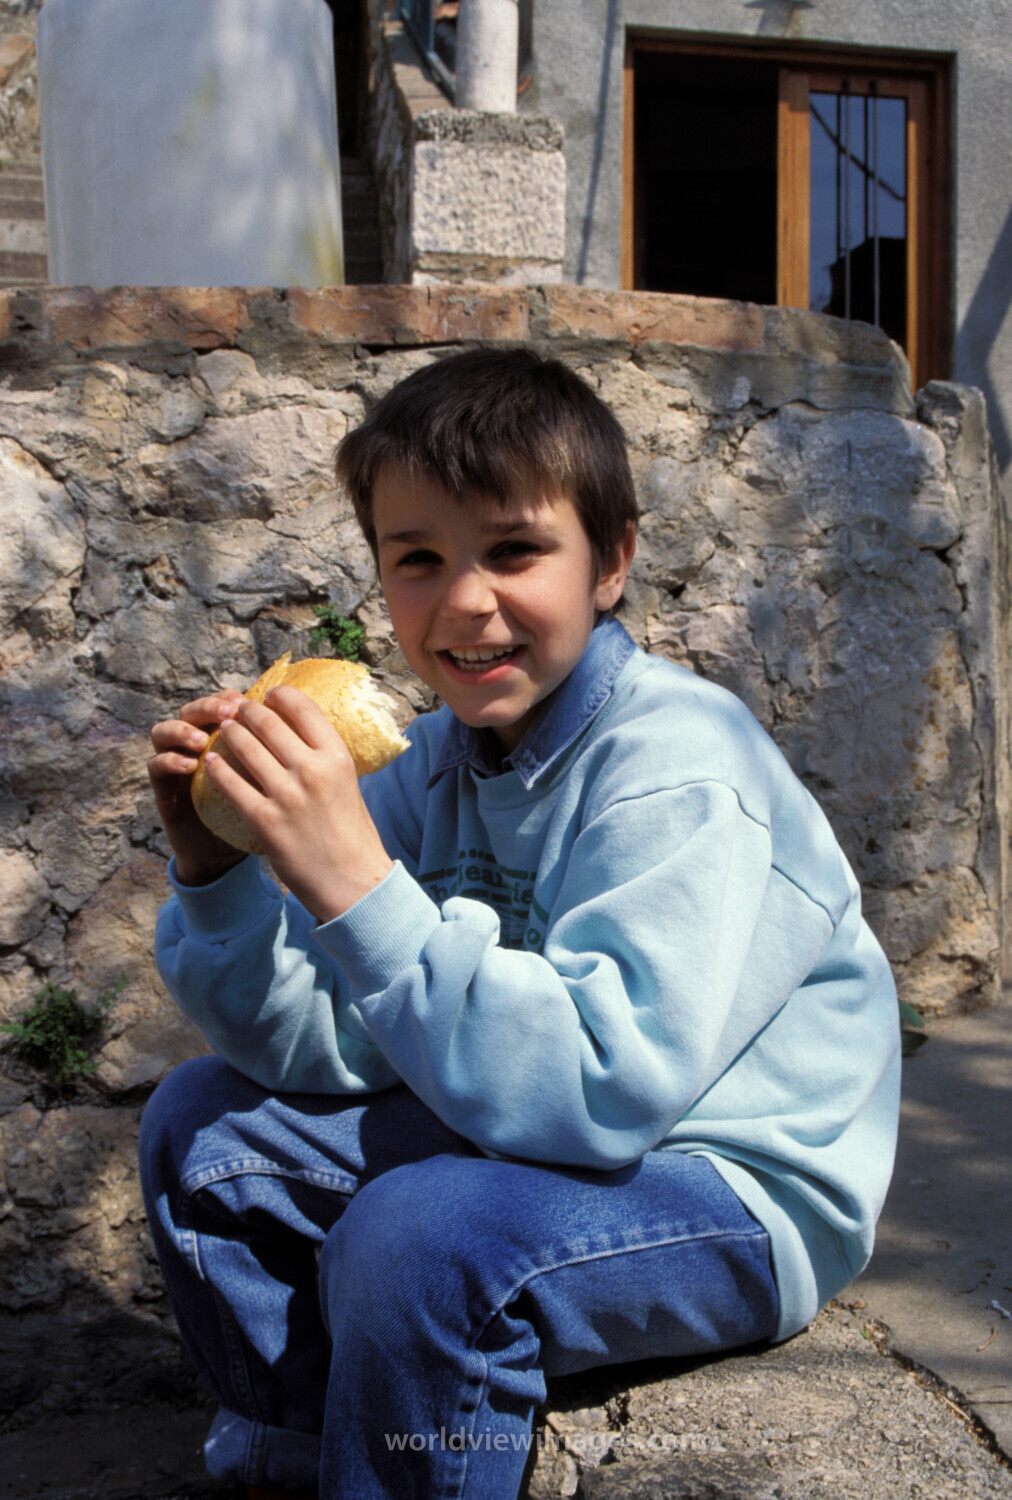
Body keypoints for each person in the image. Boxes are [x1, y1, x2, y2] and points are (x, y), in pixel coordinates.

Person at [140, 347, 901, 1500]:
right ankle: (292, 1456)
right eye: (418, 560)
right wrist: (216, 871)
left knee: (419, 1238)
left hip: (729, 1182)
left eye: (513, 550)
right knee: (202, 1128)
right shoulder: (427, 765)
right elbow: (330, 1045)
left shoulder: (683, 765)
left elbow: (605, 1088)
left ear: (612, 561)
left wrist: (357, 887)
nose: (464, 601)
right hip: (530, 1138)